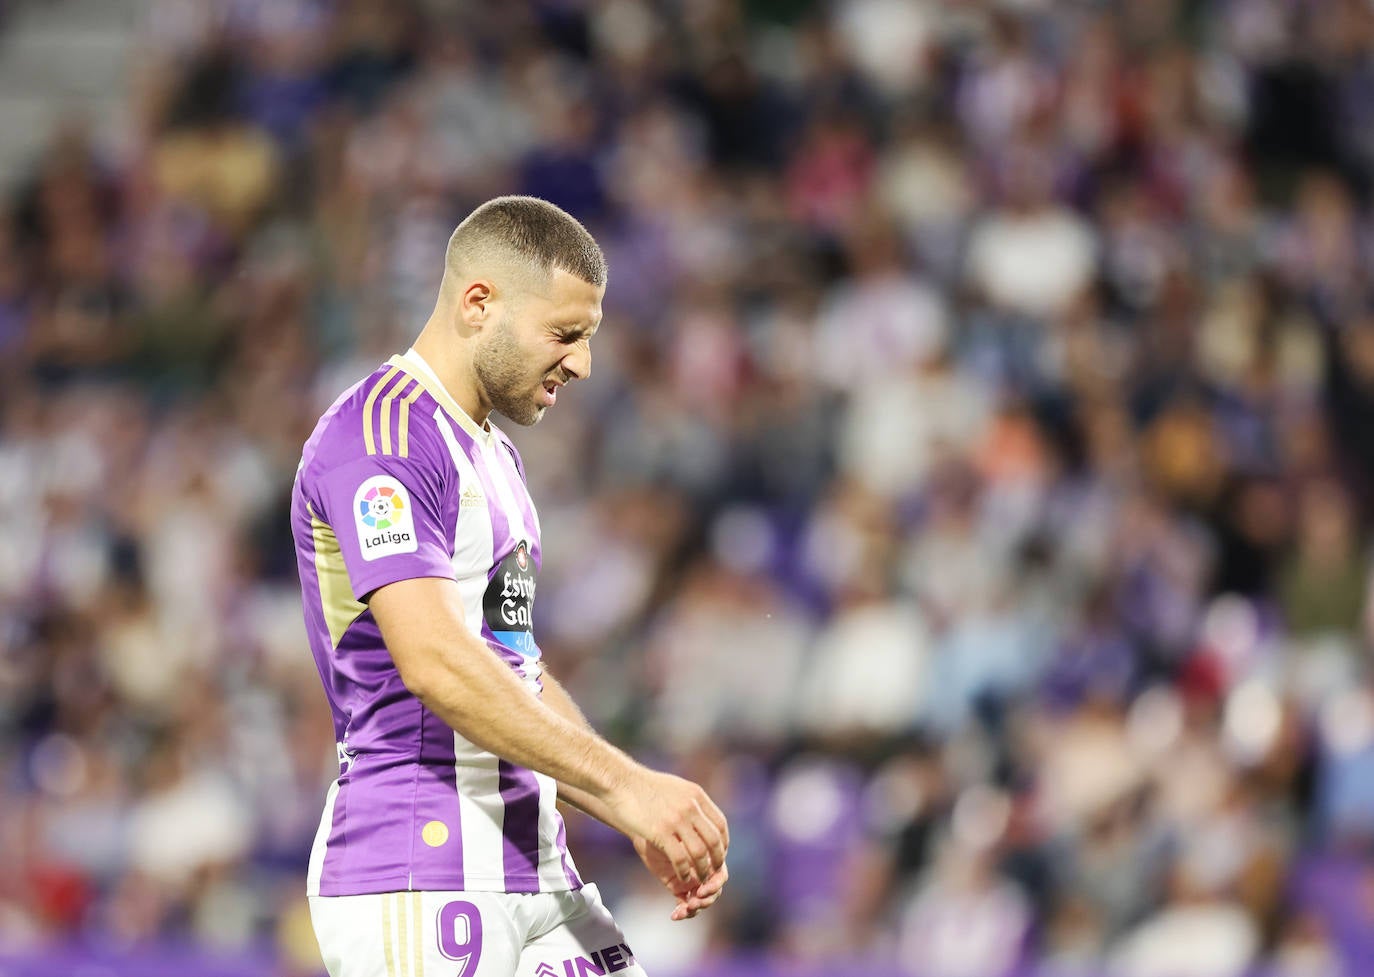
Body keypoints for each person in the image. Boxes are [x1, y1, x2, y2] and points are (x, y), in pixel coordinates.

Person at [290, 196, 730, 977]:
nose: (583, 364)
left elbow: (513, 668)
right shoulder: (381, 437)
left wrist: (629, 806)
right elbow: (433, 659)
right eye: (566, 334)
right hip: (420, 859)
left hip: (532, 859)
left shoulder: (496, 459)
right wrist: (626, 786)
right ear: (478, 304)